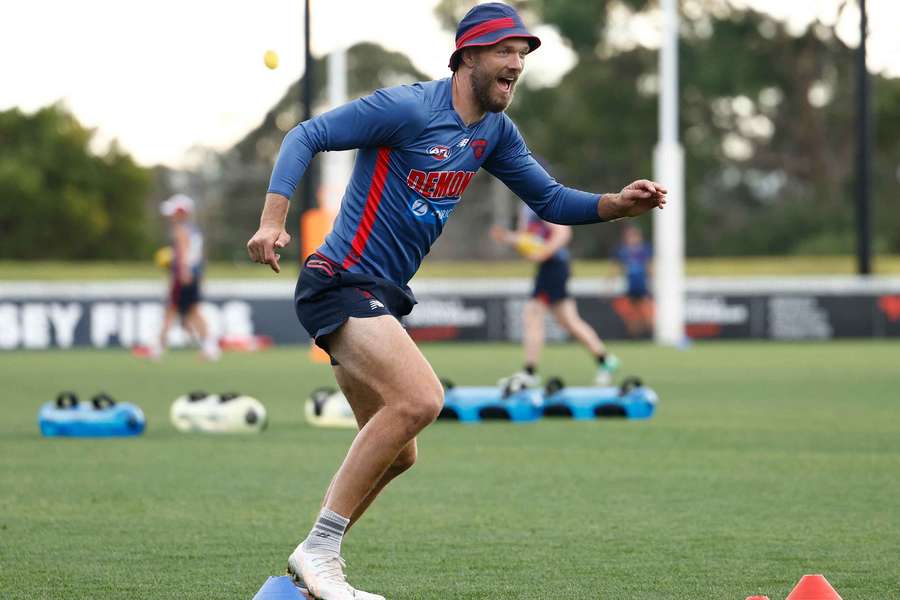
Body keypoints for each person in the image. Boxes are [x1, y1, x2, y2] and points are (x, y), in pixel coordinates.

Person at [246, 4, 667, 598]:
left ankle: (309, 574)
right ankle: (318, 550)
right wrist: (272, 222)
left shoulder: (494, 132)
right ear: (467, 55)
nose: (516, 64)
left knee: (400, 453)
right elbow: (305, 134)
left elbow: (548, 200)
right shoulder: (410, 107)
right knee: (420, 398)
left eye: (522, 54)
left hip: (381, 297)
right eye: (504, 51)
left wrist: (616, 204)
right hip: (339, 280)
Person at [491, 203, 619, 389]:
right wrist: (507, 238)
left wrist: (543, 253)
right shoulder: (525, 208)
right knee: (569, 321)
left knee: (532, 315)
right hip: (550, 267)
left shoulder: (539, 201)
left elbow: (563, 234)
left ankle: (529, 372)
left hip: (554, 266)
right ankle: (605, 360)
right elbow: (529, 240)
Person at [152, 194, 220, 361]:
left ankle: (158, 349)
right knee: (193, 311)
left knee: (171, 310)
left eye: (173, 212)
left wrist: (181, 272)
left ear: (181, 213)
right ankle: (210, 347)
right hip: (194, 274)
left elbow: (182, 254)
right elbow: (199, 257)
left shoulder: (180, 229)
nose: (170, 216)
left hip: (183, 276)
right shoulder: (194, 230)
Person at [613, 224, 654, 338]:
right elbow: (616, 269)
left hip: (642, 286)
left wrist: (652, 281)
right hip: (630, 287)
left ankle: (651, 335)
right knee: (631, 316)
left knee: (646, 312)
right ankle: (634, 337)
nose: (631, 239)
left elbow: (649, 267)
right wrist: (609, 285)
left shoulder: (644, 250)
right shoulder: (622, 251)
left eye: (634, 236)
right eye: (629, 236)